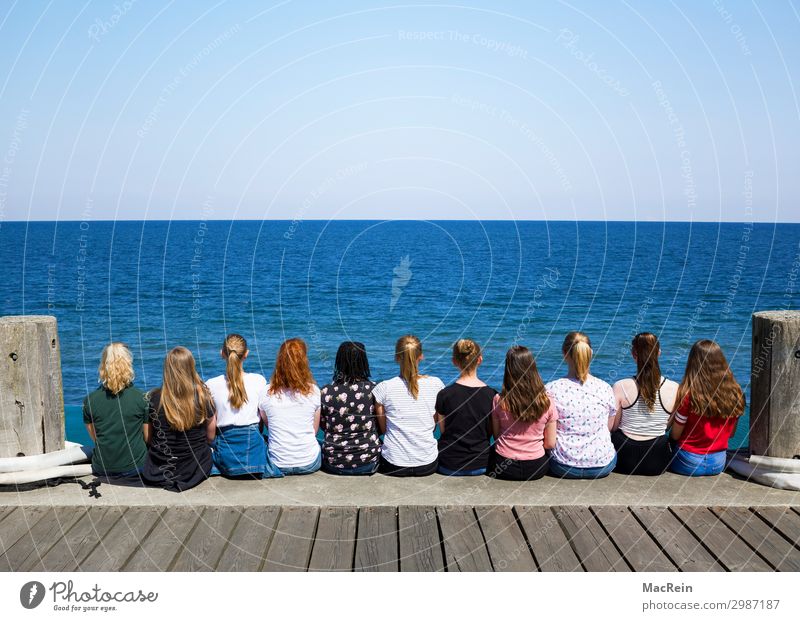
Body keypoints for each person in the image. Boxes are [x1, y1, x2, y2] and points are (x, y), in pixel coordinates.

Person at [206, 334, 282, 478]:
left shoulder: (211, 384)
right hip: (254, 453)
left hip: (226, 453)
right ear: (246, 354)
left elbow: (210, 432)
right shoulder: (259, 381)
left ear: (222, 353)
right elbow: (262, 418)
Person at [142, 347, 216, 492]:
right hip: (195, 467)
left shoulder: (154, 398)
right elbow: (210, 436)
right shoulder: (203, 397)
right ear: (191, 367)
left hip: (160, 469)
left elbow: (148, 438)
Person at [669, 339, 745, 476]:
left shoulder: (689, 395)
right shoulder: (736, 393)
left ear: (693, 363)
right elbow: (732, 434)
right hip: (718, 463)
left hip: (687, 462)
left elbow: (675, 435)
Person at [547, 331, 617, 478]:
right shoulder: (605, 388)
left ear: (564, 354)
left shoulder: (551, 389)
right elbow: (608, 427)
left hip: (562, 465)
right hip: (601, 465)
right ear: (590, 353)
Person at [373, 335, 444, 476]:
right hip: (427, 464)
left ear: (396, 357)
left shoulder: (384, 388)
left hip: (393, 464)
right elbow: (434, 423)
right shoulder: (436, 385)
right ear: (421, 356)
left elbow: (384, 429)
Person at [610, 333, 678, 475]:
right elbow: (666, 427)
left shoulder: (620, 386)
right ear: (659, 353)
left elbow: (614, 426)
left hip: (624, 460)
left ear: (634, 354)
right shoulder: (674, 388)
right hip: (657, 461)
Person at [488, 346, 558, 481]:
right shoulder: (547, 401)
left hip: (503, 466)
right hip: (536, 467)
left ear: (508, 370)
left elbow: (497, 435)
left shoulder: (499, 400)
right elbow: (550, 443)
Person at [82, 343, 148, 478]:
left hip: (102, 467)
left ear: (103, 366)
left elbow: (96, 438)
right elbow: (147, 438)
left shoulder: (89, 401)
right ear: (128, 364)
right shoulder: (142, 399)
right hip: (136, 467)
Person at [260, 338, 322, 475]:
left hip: (277, 463)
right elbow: (314, 431)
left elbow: (270, 427)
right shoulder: (314, 391)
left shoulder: (266, 392)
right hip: (309, 463)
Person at [435, 338, 496, 476]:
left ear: (454, 361)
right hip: (482, 464)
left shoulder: (444, 394)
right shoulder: (492, 395)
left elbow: (444, 431)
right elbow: (490, 432)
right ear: (480, 360)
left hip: (449, 465)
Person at [320, 342, 381, 475]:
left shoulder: (326, 392)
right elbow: (381, 426)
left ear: (339, 362)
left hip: (334, 463)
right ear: (364, 362)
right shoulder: (374, 390)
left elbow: (324, 425)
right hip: (369, 462)